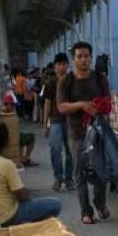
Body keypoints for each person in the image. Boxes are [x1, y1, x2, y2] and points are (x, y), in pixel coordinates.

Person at [57, 41, 111, 224]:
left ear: (91, 57)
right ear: (74, 59)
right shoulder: (66, 81)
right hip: (77, 133)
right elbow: (62, 107)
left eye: (86, 56)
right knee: (79, 172)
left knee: (100, 171)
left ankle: (100, 203)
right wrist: (81, 105)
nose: (83, 60)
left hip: (98, 132)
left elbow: (109, 101)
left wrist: (100, 108)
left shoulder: (99, 78)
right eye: (79, 56)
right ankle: (85, 211)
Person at [0, 123, 62, 226]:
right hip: (7, 215)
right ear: (6, 142)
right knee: (55, 204)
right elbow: (22, 195)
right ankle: (34, 230)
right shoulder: (6, 164)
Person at [43, 53, 74, 191]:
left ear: (68, 65)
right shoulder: (50, 83)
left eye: (63, 64)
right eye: (58, 65)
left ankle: (69, 179)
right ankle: (58, 178)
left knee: (70, 151)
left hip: (71, 121)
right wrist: (45, 124)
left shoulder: (73, 81)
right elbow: (47, 104)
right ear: (55, 67)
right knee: (55, 149)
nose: (61, 67)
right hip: (55, 121)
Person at [0, 94, 38, 167]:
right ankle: (26, 158)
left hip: (9, 136)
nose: (14, 107)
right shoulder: (10, 115)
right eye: (13, 105)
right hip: (10, 137)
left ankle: (23, 158)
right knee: (31, 137)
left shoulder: (1, 113)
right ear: (8, 104)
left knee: (23, 137)